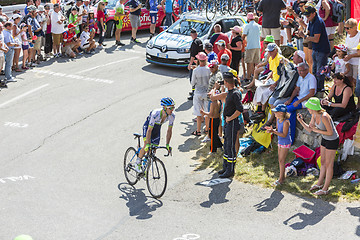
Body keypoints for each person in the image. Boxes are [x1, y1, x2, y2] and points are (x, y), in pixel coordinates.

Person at [297, 97, 339, 196]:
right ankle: (320, 184)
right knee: (323, 162)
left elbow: (330, 132)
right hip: (325, 139)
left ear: (313, 108)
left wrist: (317, 130)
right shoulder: (314, 115)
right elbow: (309, 129)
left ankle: (325, 189)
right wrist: (301, 121)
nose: (307, 109)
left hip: (332, 140)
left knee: (329, 165)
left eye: (309, 107)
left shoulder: (324, 116)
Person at [135, 97, 175, 172]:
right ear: (164, 107)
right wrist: (147, 143)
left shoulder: (172, 116)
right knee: (147, 145)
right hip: (148, 127)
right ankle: (137, 163)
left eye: (173, 107)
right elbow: (149, 130)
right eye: (171, 108)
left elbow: (169, 130)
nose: (172, 110)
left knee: (153, 150)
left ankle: (145, 168)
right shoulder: (155, 114)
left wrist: (167, 144)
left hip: (157, 128)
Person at [217, 71, 243, 178]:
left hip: (232, 123)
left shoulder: (235, 94)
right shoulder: (229, 92)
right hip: (228, 123)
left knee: (231, 146)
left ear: (227, 82)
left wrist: (229, 118)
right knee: (226, 145)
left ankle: (230, 170)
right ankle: (226, 167)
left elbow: (240, 110)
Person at [284, 62, 316, 144]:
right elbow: (296, 89)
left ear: (307, 70)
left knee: (288, 110)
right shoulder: (300, 77)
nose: (299, 72)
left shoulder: (311, 78)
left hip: (305, 101)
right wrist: (290, 100)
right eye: (299, 71)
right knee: (287, 109)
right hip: (298, 99)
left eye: (301, 71)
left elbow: (311, 93)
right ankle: (290, 136)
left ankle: (290, 138)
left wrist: (299, 101)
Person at [303, 3, 330, 92]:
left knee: (320, 71)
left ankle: (320, 89)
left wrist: (305, 37)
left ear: (314, 13)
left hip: (322, 49)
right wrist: (304, 34)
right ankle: (315, 88)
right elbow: (309, 32)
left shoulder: (318, 22)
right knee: (314, 70)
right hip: (316, 49)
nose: (307, 17)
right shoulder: (311, 21)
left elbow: (316, 39)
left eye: (308, 15)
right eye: (306, 15)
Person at [265, 104, 291, 186]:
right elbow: (278, 130)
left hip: (285, 142)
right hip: (280, 142)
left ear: (281, 113)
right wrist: (272, 130)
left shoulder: (286, 122)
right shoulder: (278, 119)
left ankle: (281, 179)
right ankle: (282, 177)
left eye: (276, 112)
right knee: (280, 160)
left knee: (281, 160)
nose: (274, 113)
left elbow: (284, 134)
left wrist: (273, 131)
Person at [190, 52, 211, 136]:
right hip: (207, 92)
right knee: (206, 112)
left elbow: (192, 83)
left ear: (198, 60)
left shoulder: (195, 70)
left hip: (198, 92)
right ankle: (207, 129)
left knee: (198, 113)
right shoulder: (209, 69)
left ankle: (198, 131)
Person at [201, 87, 223, 153]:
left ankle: (213, 150)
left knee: (212, 135)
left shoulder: (212, 103)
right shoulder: (219, 102)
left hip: (213, 120)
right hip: (217, 119)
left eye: (211, 95)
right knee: (214, 134)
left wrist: (203, 112)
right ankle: (219, 145)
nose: (210, 96)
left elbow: (211, 114)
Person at [243, 12, 261, 81]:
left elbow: (244, 35)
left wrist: (242, 42)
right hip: (257, 46)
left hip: (250, 46)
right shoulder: (258, 26)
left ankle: (248, 77)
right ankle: (255, 77)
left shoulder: (247, 26)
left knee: (249, 62)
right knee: (256, 62)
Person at [188, 28, 203, 100]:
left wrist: (190, 64)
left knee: (193, 79)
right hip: (199, 62)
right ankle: (193, 92)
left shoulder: (194, 43)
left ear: (191, 35)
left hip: (195, 64)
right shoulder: (199, 41)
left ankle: (194, 93)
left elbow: (193, 55)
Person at [344, 18, 360, 83]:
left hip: (357, 62)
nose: (346, 30)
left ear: (355, 27)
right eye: (345, 28)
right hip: (348, 61)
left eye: (348, 28)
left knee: (355, 81)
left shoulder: (359, 36)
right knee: (348, 80)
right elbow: (346, 47)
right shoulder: (348, 35)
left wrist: (350, 56)